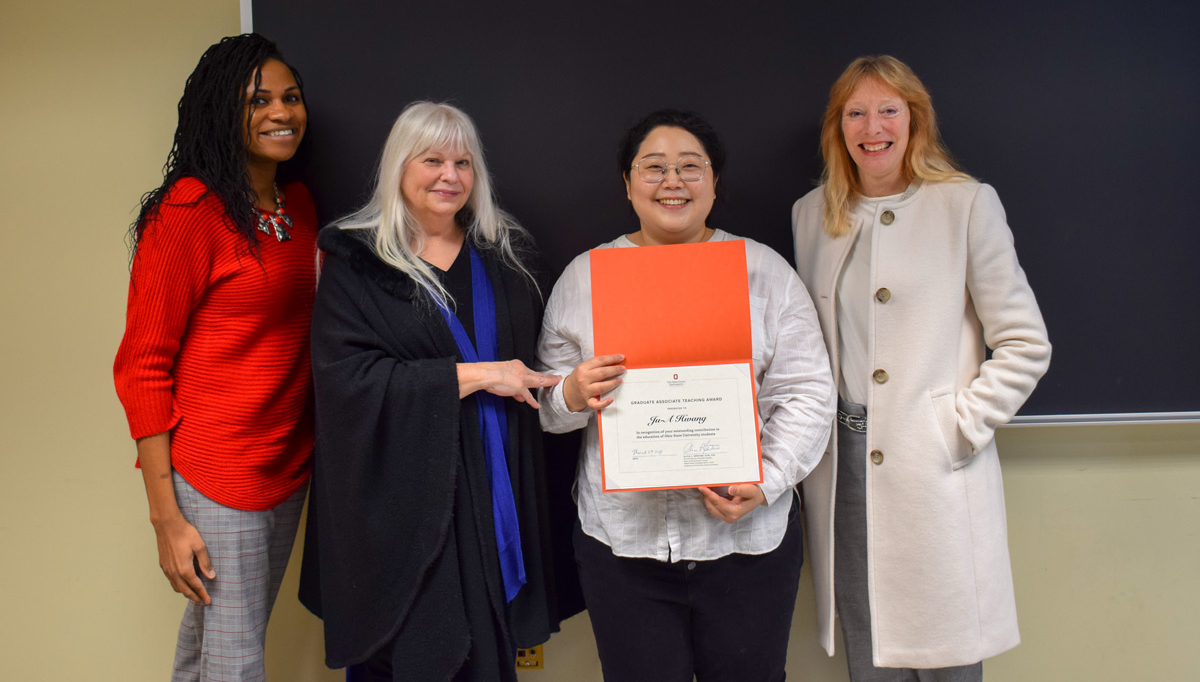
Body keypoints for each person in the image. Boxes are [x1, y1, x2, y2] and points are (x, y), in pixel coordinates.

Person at [537, 109, 835, 681]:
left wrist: (766, 480)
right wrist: (570, 394)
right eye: (653, 168)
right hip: (622, 546)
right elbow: (551, 412)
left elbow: (807, 393)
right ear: (628, 184)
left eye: (690, 167)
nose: (672, 182)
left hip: (745, 541)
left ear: (715, 183)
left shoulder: (763, 272)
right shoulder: (584, 278)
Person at [791, 55, 1052, 681]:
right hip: (840, 464)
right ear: (838, 128)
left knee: (950, 657)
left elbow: (1025, 342)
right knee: (869, 645)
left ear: (914, 120)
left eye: (888, 110)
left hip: (934, 463)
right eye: (856, 112)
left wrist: (957, 426)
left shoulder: (965, 205)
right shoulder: (810, 215)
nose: (872, 126)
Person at [298, 101, 561, 681]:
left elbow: (538, 363)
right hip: (401, 507)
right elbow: (346, 382)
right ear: (399, 167)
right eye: (433, 159)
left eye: (463, 162)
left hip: (493, 495)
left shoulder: (504, 257)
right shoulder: (356, 257)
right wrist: (480, 375)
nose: (450, 175)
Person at [113, 33, 316, 681]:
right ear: (219, 111)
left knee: (216, 647)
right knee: (237, 663)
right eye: (258, 100)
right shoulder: (188, 212)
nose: (282, 112)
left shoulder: (300, 207)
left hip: (287, 465)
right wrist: (165, 517)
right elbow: (141, 367)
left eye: (291, 97)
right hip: (218, 477)